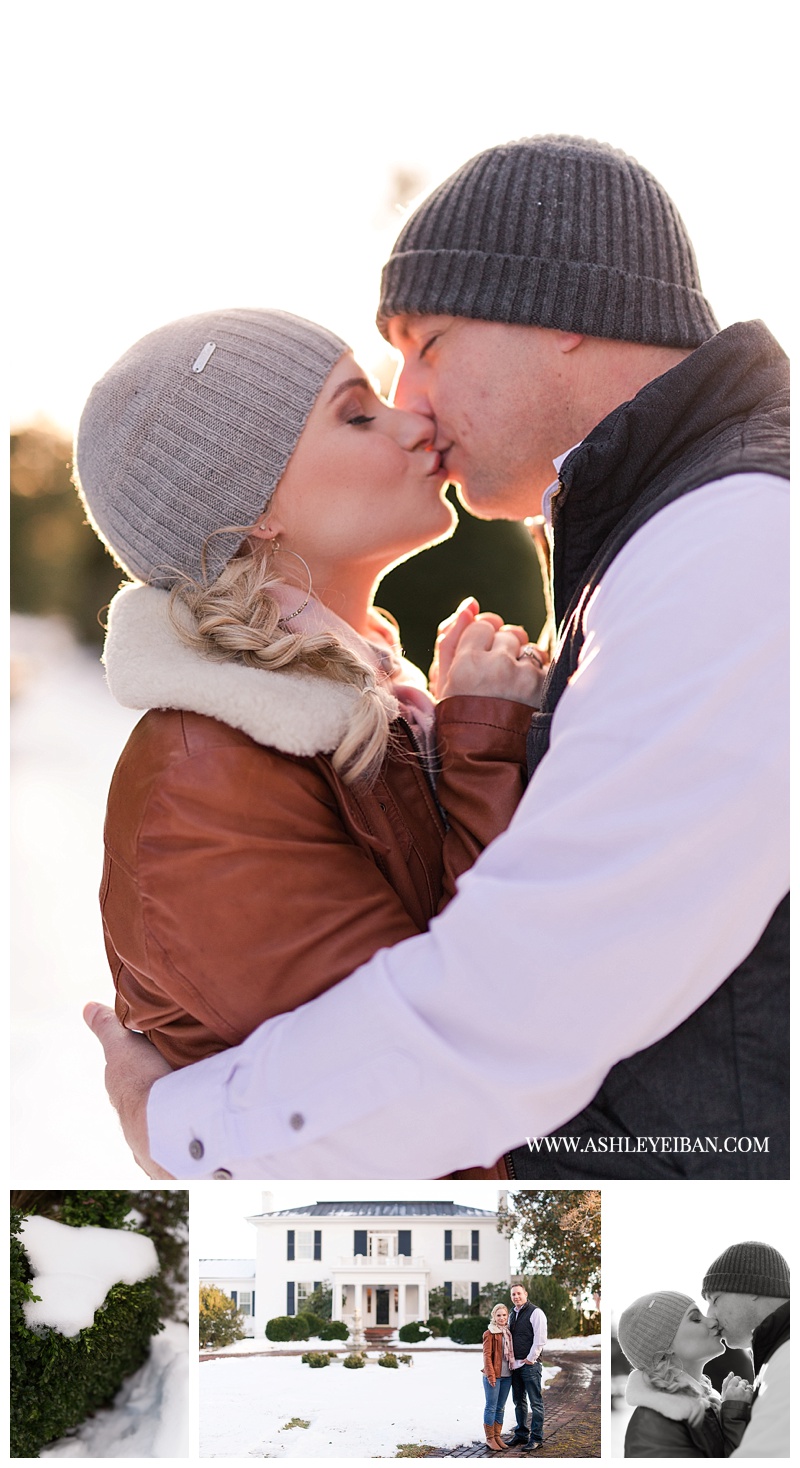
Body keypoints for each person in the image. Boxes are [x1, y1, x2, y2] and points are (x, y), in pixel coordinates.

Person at [84, 134, 789, 1182]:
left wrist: (186, 1128)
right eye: (366, 396)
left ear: (560, 311)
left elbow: (537, 982)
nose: (410, 400)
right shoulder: (668, 535)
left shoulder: (727, 539)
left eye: (427, 342)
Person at [74, 307, 545, 1158]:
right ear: (253, 512)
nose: (416, 423)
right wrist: (482, 742)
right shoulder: (209, 773)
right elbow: (446, 1066)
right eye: (357, 413)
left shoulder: (379, 702)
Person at [619, 1292, 751, 1456]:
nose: (713, 1321)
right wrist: (735, 1415)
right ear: (665, 1347)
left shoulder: (705, 1405)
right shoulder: (656, 1425)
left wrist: (729, 1412)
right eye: (696, 1319)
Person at [702, 1241, 789, 1458]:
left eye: (715, 1299)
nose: (710, 1315)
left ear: (752, 1287)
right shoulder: (776, 1354)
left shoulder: (788, 1358)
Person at [506, 1284, 547, 1451]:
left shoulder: (535, 1312)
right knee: (519, 1402)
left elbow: (540, 1338)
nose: (516, 1297)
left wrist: (531, 1358)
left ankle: (536, 1438)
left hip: (530, 1366)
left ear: (525, 1294)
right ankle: (521, 1434)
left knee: (535, 1403)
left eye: (519, 1293)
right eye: (513, 1294)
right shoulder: (511, 1314)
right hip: (515, 1366)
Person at [482, 1302, 515, 1452]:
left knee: (500, 1408)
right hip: (493, 1376)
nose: (501, 1318)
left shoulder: (508, 1332)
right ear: (494, 1317)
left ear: (507, 1316)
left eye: (504, 1315)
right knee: (491, 1407)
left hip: (507, 1376)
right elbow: (487, 1356)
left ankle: (497, 1436)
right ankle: (489, 1438)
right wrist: (491, 1376)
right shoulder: (489, 1333)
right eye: (498, 1315)